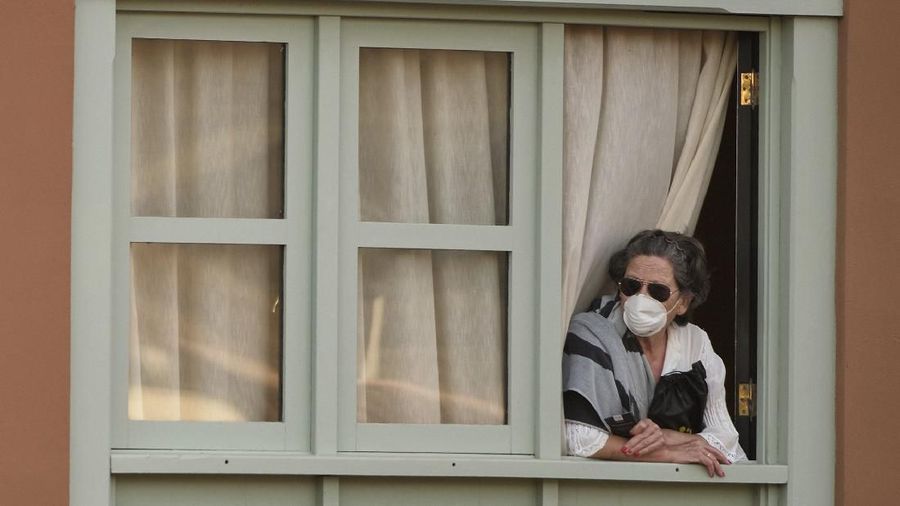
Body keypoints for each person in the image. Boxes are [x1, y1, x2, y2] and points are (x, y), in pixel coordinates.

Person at [562, 229, 747, 477]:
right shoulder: (591, 334)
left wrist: (665, 436)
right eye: (631, 286)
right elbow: (580, 438)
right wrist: (667, 453)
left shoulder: (695, 343)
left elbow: (726, 441)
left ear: (683, 302)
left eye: (658, 291)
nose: (641, 298)